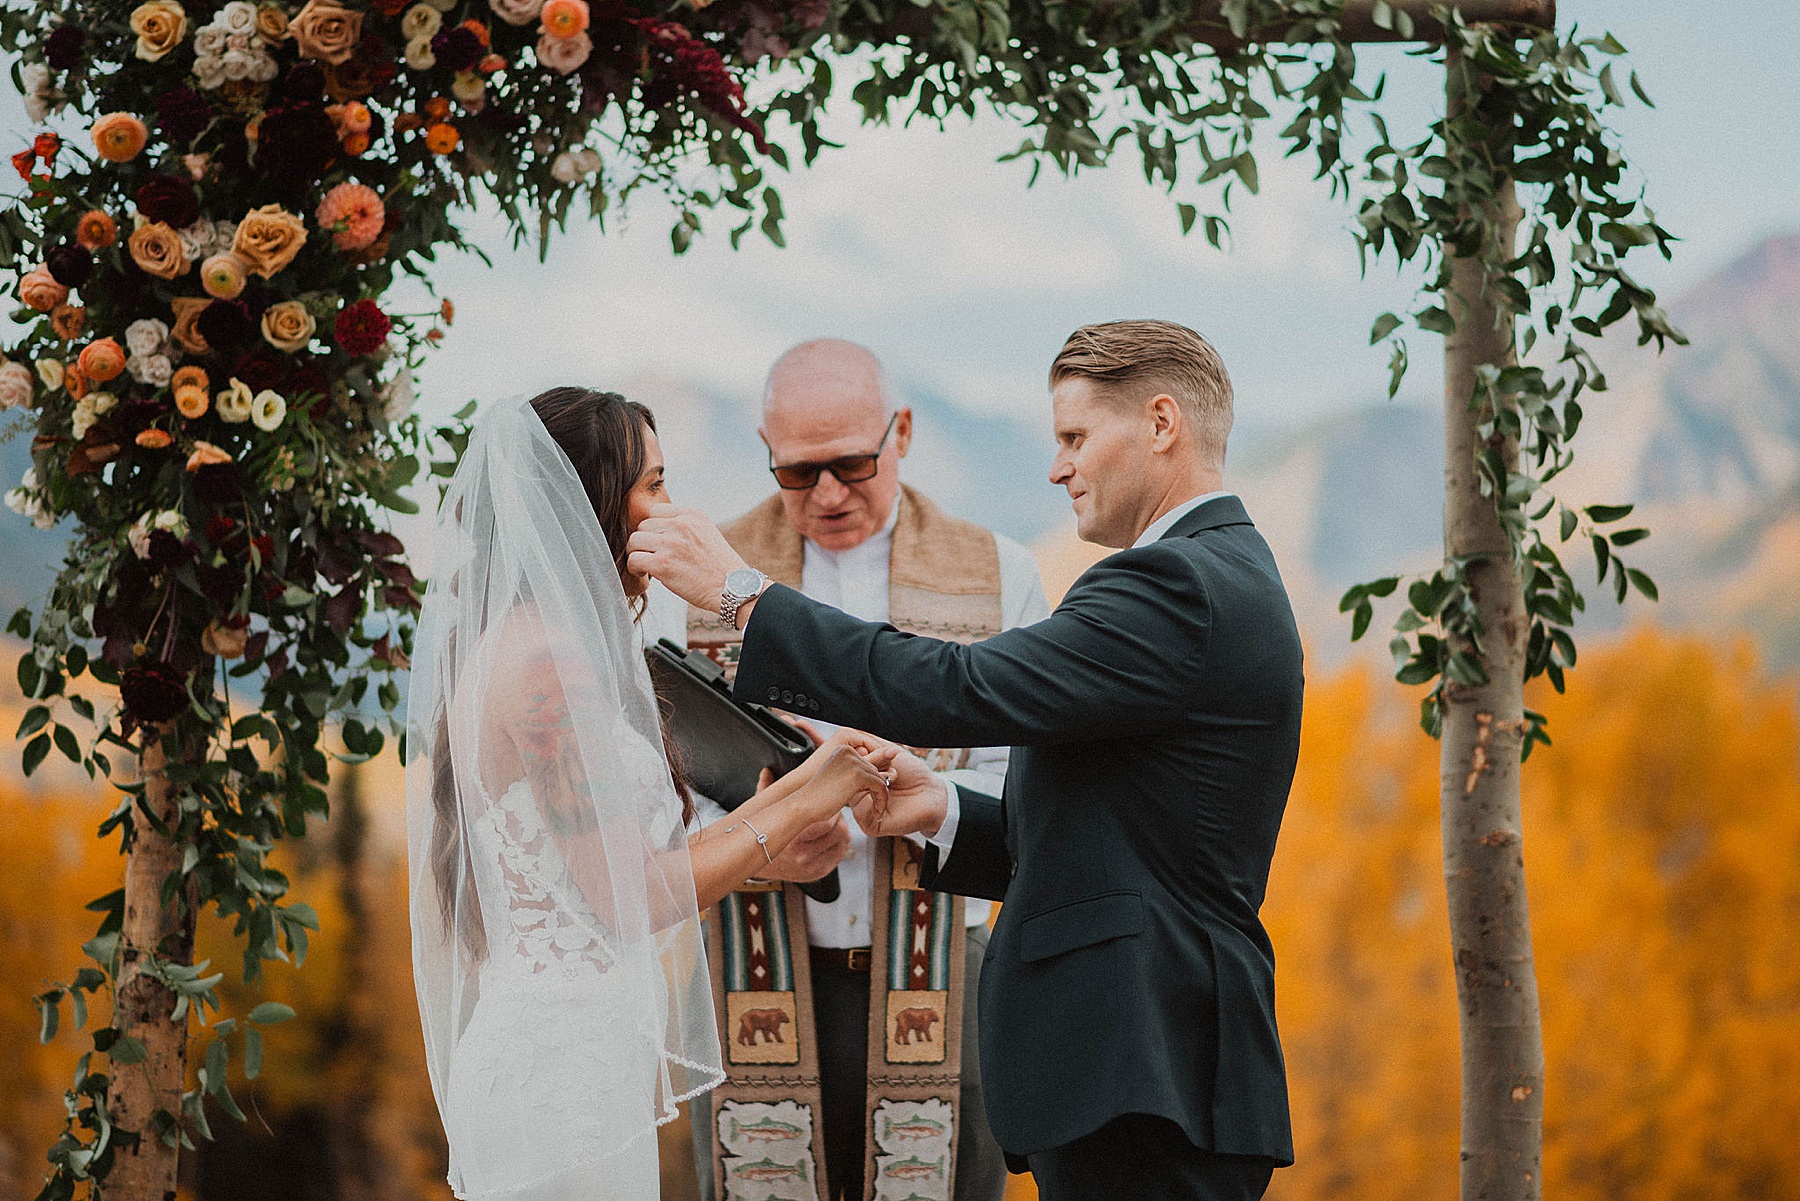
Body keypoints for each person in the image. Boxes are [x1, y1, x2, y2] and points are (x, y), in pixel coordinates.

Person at [629, 321, 1305, 1201]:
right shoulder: (1216, 574)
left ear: (1162, 422)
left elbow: (961, 684)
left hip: (1146, 1049)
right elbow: (1116, 828)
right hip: (1148, 1052)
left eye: (1073, 438)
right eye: (797, 471)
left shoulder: (1172, 584)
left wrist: (740, 593)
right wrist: (939, 804)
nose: (1058, 468)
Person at [406, 388, 890, 1201]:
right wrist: (807, 803)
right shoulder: (548, 665)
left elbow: (620, 863)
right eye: (654, 486)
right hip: (563, 1069)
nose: (672, 508)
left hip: (571, 1044)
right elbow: (631, 894)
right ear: (591, 500)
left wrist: (809, 779)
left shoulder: (520, 640)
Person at [661, 340, 1045, 1201]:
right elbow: (659, 792)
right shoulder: (700, 581)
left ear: (900, 431)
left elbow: (1034, 781)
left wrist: (925, 801)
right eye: (799, 473)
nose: (828, 494)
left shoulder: (999, 572)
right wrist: (758, 841)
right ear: (765, 447)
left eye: (852, 463)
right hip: (748, 971)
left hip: (949, 976)